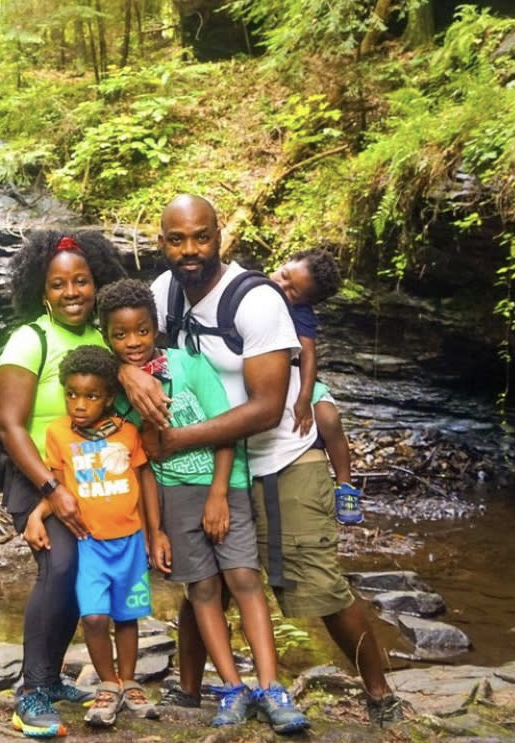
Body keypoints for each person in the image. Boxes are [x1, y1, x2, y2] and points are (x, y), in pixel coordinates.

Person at [120, 195, 402, 729]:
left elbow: (268, 408)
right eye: (176, 239)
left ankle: (380, 694)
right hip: (209, 468)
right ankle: (188, 693)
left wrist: (179, 440)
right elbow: (123, 339)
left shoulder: (256, 300)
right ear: (161, 243)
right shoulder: (162, 294)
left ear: (220, 235)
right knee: (205, 581)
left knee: (316, 583)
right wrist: (126, 373)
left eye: (201, 237)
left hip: (280, 459)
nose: (190, 250)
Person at [96, 278, 309, 734]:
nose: (132, 342)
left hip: (223, 484)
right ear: (106, 337)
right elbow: (145, 468)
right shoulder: (120, 394)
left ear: (157, 328)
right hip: (173, 496)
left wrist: (218, 494)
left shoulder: (189, 364)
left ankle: (271, 687)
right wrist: (156, 530)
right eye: (120, 334)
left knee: (244, 578)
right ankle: (233, 688)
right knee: (203, 590)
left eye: (141, 331)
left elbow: (223, 428)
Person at [0, 229, 126, 738]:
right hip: (39, 478)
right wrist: (52, 490)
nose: (71, 292)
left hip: (93, 478)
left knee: (83, 573)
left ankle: (49, 679)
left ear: (97, 283)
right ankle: (30, 690)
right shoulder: (31, 339)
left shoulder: (102, 338)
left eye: (81, 281)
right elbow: (10, 425)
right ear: (41, 290)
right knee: (61, 565)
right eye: (58, 284)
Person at [23, 345, 162, 728]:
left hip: (130, 541)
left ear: (109, 398)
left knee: (128, 616)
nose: (79, 404)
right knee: (96, 617)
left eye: (91, 396)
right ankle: (107, 683)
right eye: (71, 394)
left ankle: (129, 683)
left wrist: (155, 532)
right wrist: (37, 514)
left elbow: (144, 479)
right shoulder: (57, 434)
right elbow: (59, 489)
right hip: (91, 545)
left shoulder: (129, 433)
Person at [269, 247, 364, 525]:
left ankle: (345, 486)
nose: (281, 285)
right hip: (264, 374)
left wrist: (304, 397)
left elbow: (308, 355)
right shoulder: (252, 286)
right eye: (284, 275)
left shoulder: (300, 313)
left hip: (296, 374)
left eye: (293, 291)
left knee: (328, 417)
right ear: (285, 262)